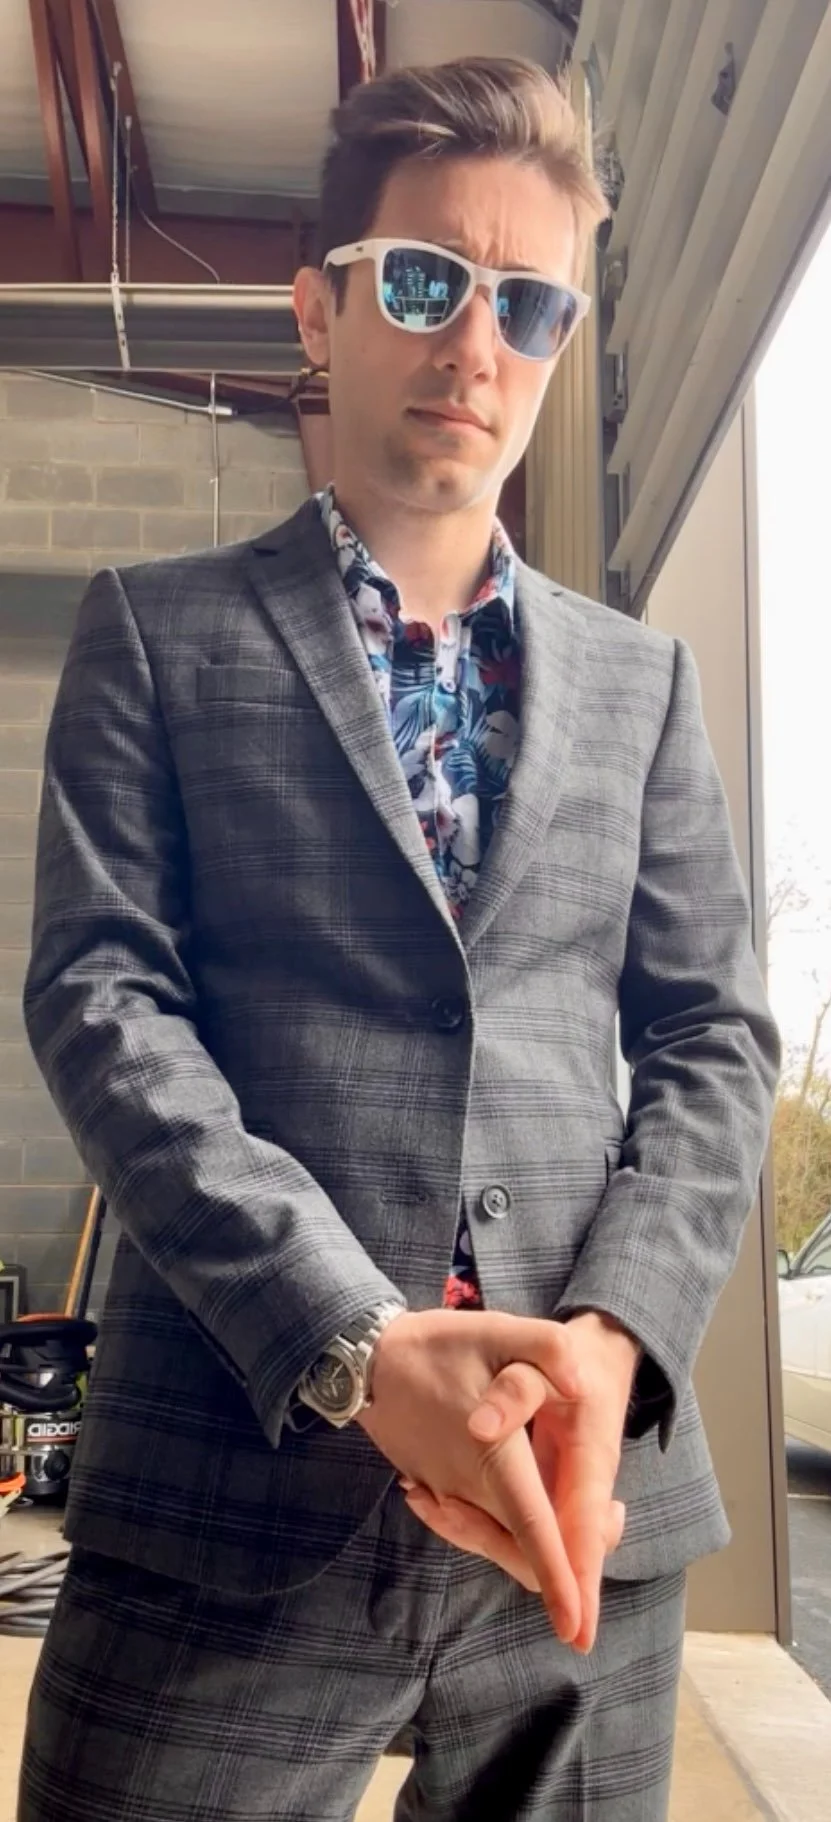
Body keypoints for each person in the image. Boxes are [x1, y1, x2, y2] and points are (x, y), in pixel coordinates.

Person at [18, 55, 779, 1822]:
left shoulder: (645, 683)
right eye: (425, 283)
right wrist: (350, 1339)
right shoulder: (159, 634)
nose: (475, 346)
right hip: (233, 1473)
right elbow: (103, 1003)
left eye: (527, 303)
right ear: (319, 305)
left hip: (576, 1503)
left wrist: (610, 1338)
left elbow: (709, 1039)